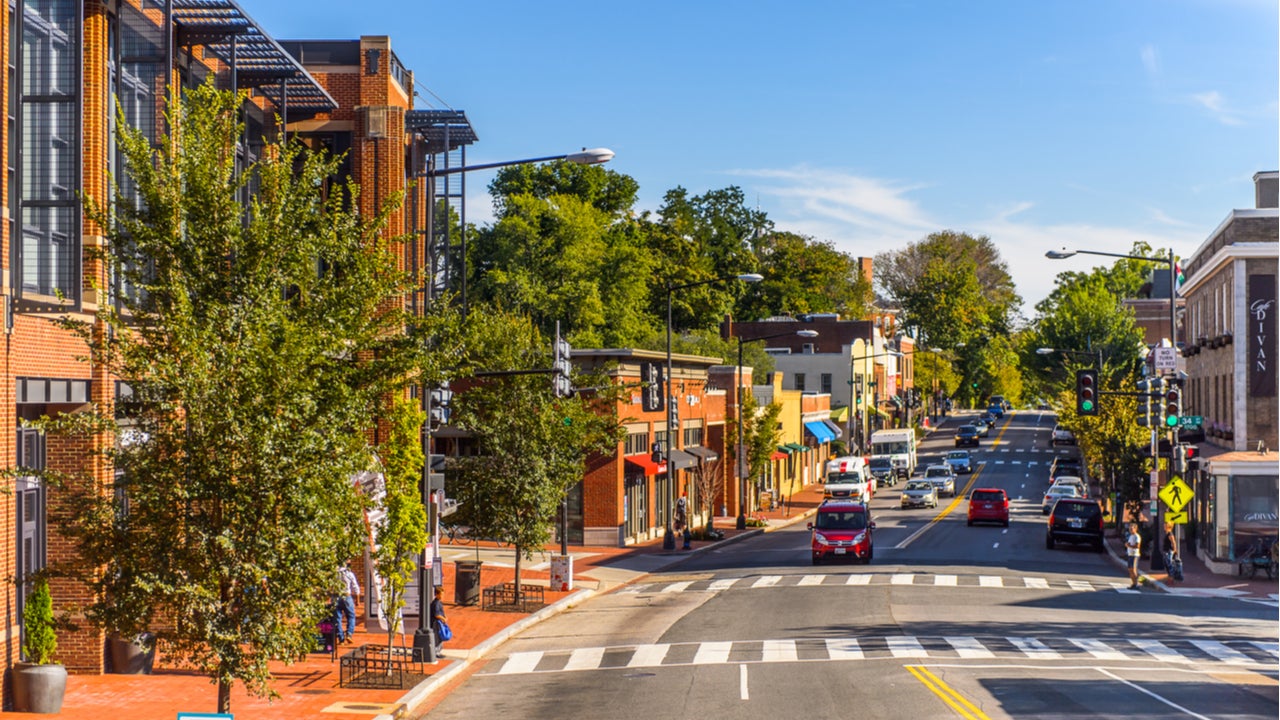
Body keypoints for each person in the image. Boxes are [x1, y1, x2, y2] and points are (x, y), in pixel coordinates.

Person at [336, 561, 361, 644]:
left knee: (337, 618)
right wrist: (357, 600)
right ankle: (349, 634)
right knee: (351, 616)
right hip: (347, 596)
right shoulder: (349, 573)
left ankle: (341, 638)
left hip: (336, 596)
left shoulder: (334, 574)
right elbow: (355, 586)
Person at [429, 586, 447, 658]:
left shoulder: (439, 603)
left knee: (440, 637)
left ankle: (439, 651)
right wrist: (443, 618)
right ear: (436, 594)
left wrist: (444, 617)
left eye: (443, 594)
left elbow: (441, 612)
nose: (442, 596)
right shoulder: (435, 603)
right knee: (437, 637)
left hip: (440, 622)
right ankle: (436, 652)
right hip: (436, 623)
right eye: (441, 594)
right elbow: (436, 615)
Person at [1125, 523, 1142, 590]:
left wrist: (1129, 546)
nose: (1130, 530)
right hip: (1130, 554)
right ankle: (1133, 583)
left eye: (1132, 528)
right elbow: (1129, 543)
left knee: (1134, 569)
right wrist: (1127, 544)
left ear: (1135, 529)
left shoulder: (1137, 536)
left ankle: (1136, 584)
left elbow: (1137, 546)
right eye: (1130, 528)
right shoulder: (1131, 536)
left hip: (1135, 555)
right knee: (1130, 569)